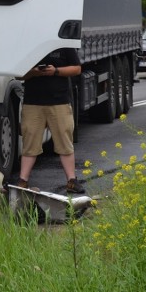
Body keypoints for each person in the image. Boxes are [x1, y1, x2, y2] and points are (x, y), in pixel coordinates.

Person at [14, 47, 85, 194]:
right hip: (33, 103)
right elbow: (19, 75)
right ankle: (23, 181)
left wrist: (56, 71)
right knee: (29, 142)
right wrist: (34, 72)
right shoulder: (30, 44)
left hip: (59, 102)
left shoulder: (64, 43)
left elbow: (77, 69)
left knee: (64, 141)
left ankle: (71, 181)